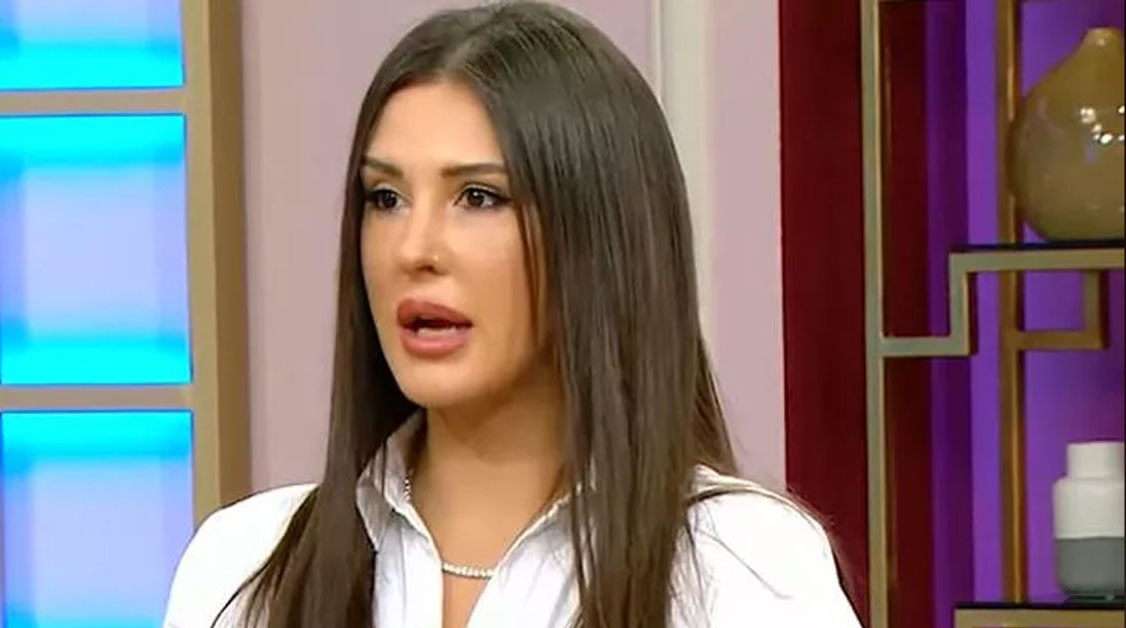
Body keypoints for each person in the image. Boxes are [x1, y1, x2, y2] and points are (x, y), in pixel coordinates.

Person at [163, 3, 861, 627]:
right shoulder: (244, 568)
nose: (413, 249)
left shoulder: (736, 567)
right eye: (385, 198)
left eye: (478, 197)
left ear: (599, 237)